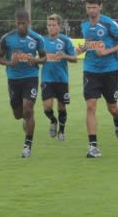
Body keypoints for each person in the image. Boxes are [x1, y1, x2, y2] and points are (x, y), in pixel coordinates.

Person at [76, 0, 118, 158]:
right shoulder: (84, 24)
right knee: (91, 106)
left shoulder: (108, 23)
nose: (91, 10)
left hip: (109, 69)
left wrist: (106, 51)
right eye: (88, 7)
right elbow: (90, 42)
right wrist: (83, 48)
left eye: (94, 7)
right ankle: (93, 146)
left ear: (100, 7)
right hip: (90, 69)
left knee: (112, 107)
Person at [0, 10, 46, 158]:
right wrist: (10, 62)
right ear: (15, 23)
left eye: (23, 24)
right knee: (18, 114)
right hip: (13, 79)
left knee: (28, 109)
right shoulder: (7, 38)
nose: (21, 27)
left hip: (30, 77)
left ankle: (27, 146)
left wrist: (35, 60)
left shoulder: (37, 38)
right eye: (18, 24)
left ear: (28, 22)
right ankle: (24, 119)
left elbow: (44, 58)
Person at [41, 14, 77, 142]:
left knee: (62, 107)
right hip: (47, 78)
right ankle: (53, 120)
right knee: (47, 107)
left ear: (59, 26)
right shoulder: (42, 41)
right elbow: (39, 58)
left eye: (54, 25)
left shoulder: (65, 40)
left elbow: (74, 58)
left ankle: (61, 132)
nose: (51, 28)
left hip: (62, 79)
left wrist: (64, 56)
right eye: (49, 25)